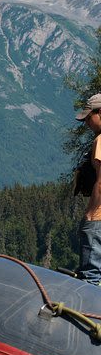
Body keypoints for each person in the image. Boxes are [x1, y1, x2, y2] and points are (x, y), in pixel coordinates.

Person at [75, 94, 101, 285]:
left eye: (88, 117)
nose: (86, 123)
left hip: (99, 217)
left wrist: (91, 214)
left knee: (91, 278)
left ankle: (90, 314)